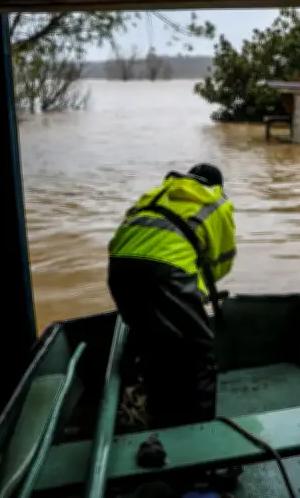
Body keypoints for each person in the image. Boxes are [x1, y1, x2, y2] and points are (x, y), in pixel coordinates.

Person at [107, 163, 236, 429]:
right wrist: (193, 290)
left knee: (149, 339)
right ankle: (199, 435)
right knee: (199, 352)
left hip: (119, 266)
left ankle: (153, 409)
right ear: (218, 186)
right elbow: (222, 261)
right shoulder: (217, 202)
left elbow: (130, 237)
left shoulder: (156, 194)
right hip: (168, 274)